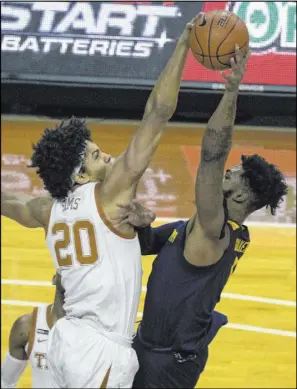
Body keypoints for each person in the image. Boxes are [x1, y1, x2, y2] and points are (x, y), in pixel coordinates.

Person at [1, 18, 197, 388]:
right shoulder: (111, 195)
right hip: (100, 349)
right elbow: (157, 113)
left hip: (65, 338)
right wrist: (183, 46)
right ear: (79, 175)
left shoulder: (44, 210)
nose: (107, 157)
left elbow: (7, 200)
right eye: (94, 156)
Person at [110, 46, 288, 388]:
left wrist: (231, 90)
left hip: (168, 363)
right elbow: (149, 246)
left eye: (234, 173)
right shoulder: (200, 228)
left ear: (240, 195)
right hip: (149, 348)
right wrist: (144, 226)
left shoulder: (213, 230)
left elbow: (212, 153)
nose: (227, 170)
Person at [1, 274, 65, 388]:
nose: (71, 276)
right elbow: (5, 383)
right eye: (66, 270)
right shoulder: (26, 326)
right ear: (54, 278)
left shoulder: (100, 329)